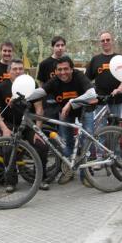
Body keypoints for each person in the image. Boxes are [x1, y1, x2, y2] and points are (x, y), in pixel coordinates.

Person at [29, 56, 97, 185]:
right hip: (66, 113)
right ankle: (69, 170)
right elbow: (41, 91)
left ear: (72, 69)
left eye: (66, 69)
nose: (63, 72)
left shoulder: (79, 76)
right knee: (67, 144)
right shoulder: (55, 80)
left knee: (87, 140)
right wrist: (22, 97)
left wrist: (71, 102)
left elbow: (92, 94)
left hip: (85, 110)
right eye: (59, 70)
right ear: (55, 71)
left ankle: (86, 175)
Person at [0, 59, 49, 192]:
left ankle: (41, 178)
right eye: (14, 69)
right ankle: (11, 182)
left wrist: (37, 130)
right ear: (9, 72)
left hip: (29, 124)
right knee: (7, 149)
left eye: (20, 69)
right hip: (10, 124)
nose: (18, 71)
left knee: (42, 146)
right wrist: (4, 129)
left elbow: (39, 109)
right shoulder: (2, 87)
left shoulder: (31, 84)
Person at [86, 31, 122, 119]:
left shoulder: (120, 58)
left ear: (112, 41)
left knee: (115, 128)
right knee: (100, 130)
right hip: (100, 100)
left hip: (117, 99)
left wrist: (120, 89)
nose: (105, 42)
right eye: (103, 40)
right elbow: (86, 79)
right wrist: (90, 94)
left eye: (108, 40)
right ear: (100, 43)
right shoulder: (95, 59)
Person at [37, 36, 67, 119]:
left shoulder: (68, 62)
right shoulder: (44, 64)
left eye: (62, 45)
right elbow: (41, 83)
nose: (60, 48)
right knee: (50, 128)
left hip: (65, 99)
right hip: (49, 102)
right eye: (57, 45)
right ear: (52, 47)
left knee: (64, 128)